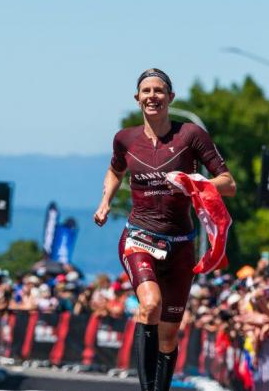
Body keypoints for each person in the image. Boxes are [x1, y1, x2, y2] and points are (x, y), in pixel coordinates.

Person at [94, 68, 236, 391]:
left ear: (170, 98)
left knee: (168, 337)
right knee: (150, 305)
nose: (152, 96)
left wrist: (195, 183)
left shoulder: (190, 135)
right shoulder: (125, 139)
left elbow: (229, 184)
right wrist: (105, 202)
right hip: (139, 236)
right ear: (137, 99)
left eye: (159, 91)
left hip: (181, 244)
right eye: (146, 91)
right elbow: (115, 171)